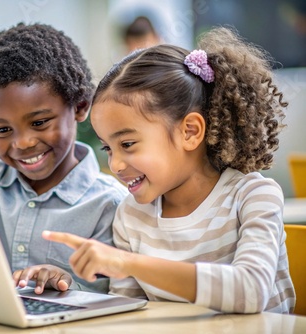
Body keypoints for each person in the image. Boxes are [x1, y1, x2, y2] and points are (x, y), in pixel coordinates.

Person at [30, 27, 296, 314]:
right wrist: (68, 289)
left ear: (190, 132)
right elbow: (127, 311)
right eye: (108, 148)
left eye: (128, 144)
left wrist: (127, 263)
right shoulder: (132, 216)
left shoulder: (254, 196)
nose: (115, 164)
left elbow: (250, 290)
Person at [0, 23, 128, 293]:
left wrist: (66, 284)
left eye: (40, 122)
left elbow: (110, 298)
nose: (22, 143)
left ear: (79, 107)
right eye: (2, 130)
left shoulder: (109, 206)